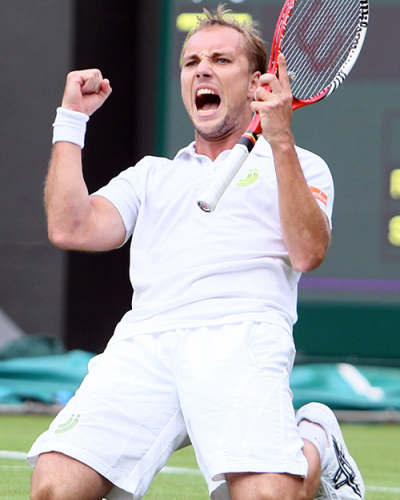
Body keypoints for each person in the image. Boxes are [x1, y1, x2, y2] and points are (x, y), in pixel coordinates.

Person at [28, 5, 364, 500]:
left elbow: (309, 253)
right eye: (192, 62)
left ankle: (317, 440)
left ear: (257, 84)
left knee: (266, 497)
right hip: (147, 343)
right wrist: (71, 121)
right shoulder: (150, 175)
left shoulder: (301, 165)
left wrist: (280, 139)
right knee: (55, 490)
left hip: (242, 338)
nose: (202, 69)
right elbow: (69, 227)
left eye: (221, 60)